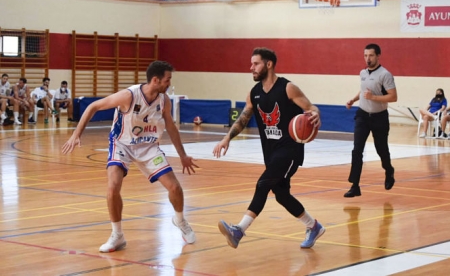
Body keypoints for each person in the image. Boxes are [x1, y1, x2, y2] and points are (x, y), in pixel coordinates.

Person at [62, 60, 198, 253]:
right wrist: (76, 134)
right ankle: (117, 236)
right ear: (156, 80)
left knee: (175, 187)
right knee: (112, 188)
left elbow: (171, 127)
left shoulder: (164, 100)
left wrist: (183, 155)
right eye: (167, 80)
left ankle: (180, 220)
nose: (169, 83)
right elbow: (93, 106)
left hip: (148, 147)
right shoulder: (129, 95)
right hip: (122, 144)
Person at [213, 47, 325, 249]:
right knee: (281, 195)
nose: (251, 68)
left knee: (263, 184)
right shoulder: (254, 93)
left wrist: (315, 113)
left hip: (291, 151)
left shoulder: (288, 88)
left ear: (269, 64)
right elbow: (244, 118)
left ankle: (239, 230)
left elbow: (310, 107)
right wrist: (227, 138)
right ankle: (313, 226)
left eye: (255, 64)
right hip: (271, 152)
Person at [344, 43, 397, 198]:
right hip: (362, 115)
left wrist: (373, 97)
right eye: (365, 55)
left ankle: (389, 170)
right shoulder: (363, 73)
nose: (368, 58)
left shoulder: (385, 75)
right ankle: (355, 186)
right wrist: (353, 100)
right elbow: (363, 90)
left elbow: (393, 97)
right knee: (357, 150)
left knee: (382, 150)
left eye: (371, 55)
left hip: (379, 117)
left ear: (378, 56)